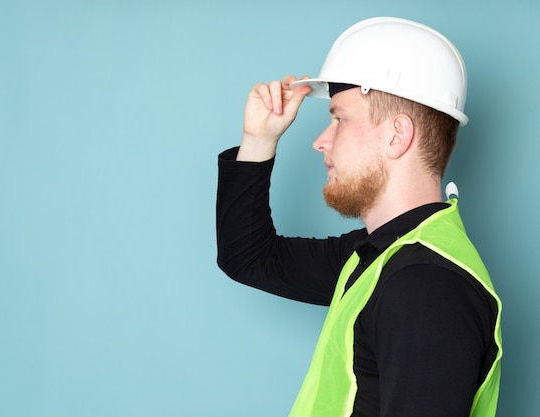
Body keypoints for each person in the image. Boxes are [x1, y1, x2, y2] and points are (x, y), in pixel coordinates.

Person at [215, 17, 502, 417]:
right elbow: (248, 257)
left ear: (396, 135)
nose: (320, 141)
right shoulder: (377, 257)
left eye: (339, 118)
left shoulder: (426, 284)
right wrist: (259, 140)